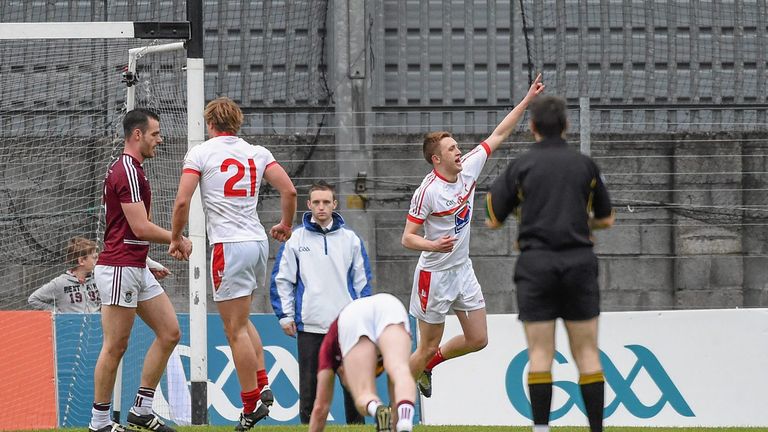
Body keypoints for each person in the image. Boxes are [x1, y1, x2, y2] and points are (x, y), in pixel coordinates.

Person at [401, 74, 545, 397]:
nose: (458, 151)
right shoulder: (428, 193)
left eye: (457, 147)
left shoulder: (468, 167)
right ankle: (396, 407)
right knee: (425, 346)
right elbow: (407, 237)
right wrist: (432, 244)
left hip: (462, 269)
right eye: (451, 149)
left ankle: (428, 366)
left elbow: (499, 133)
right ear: (436, 159)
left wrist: (527, 100)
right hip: (434, 275)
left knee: (478, 338)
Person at [485, 95, 614, 432]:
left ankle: (541, 429)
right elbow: (607, 218)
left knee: (540, 353)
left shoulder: (521, 166)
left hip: (536, 265)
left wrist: (525, 214)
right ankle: (596, 430)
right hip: (579, 262)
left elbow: (493, 217)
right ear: (567, 126)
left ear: (532, 128)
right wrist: (582, 221)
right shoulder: (585, 165)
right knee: (587, 353)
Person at [169, 97, 297, 431]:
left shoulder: (201, 152)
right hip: (256, 242)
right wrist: (285, 224)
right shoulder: (257, 152)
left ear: (209, 123)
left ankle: (250, 405)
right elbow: (290, 190)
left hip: (228, 245)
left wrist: (176, 236)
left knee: (233, 329)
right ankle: (263, 381)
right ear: (237, 122)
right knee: (243, 319)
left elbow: (183, 200)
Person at [89, 108, 191, 432]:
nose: (160, 139)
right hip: (119, 267)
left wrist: (147, 260)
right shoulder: (129, 171)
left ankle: (141, 411)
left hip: (133, 264)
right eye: (155, 133)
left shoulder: (134, 170)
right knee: (115, 346)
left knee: (170, 332)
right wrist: (177, 238)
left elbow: (123, 229)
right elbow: (139, 227)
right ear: (137, 135)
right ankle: (100, 422)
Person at [270, 180, 372, 425]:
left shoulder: (351, 240)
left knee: (354, 387)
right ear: (308, 205)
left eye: (326, 202)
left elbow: (363, 283)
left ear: (334, 204)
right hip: (310, 327)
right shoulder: (295, 239)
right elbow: (281, 280)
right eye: (316, 202)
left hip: (346, 327)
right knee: (310, 391)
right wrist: (285, 315)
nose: (321, 207)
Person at [308, 293, 415, 432]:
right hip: (389, 304)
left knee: (364, 394)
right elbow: (394, 402)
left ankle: (376, 408)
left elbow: (320, 408)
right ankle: (406, 421)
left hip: (352, 316)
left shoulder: (329, 346)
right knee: (400, 370)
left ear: (341, 369)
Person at [28, 236, 101, 313]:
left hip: (96, 324)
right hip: (70, 324)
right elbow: (33, 299)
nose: (98, 260)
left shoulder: (97, 280)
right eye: (94, 257)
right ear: (81, 261)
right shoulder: (60, 283)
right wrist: (58, 313)